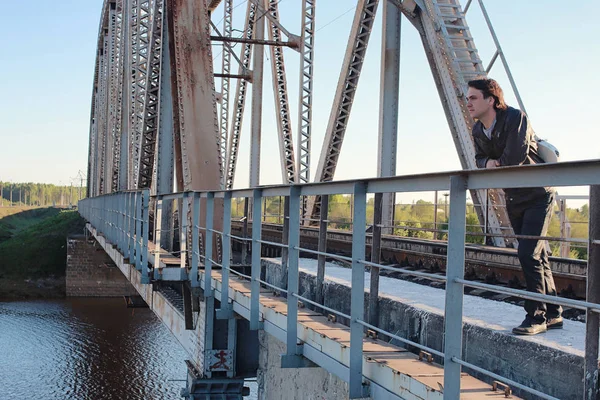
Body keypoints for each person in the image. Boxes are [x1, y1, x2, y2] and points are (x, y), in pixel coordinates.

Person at [467, 78, 562, 335]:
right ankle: (554, 313)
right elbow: (479, 160)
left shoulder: (515, 118)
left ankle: (536, 316)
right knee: (537, 254)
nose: (468, 103)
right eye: (468, 98)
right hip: (513, 197)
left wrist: (494, 163)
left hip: (537, 194)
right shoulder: (478, 130)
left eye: (473, 97)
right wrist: (489, 163)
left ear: (491, 100)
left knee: (527, 253)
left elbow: (514, 159)